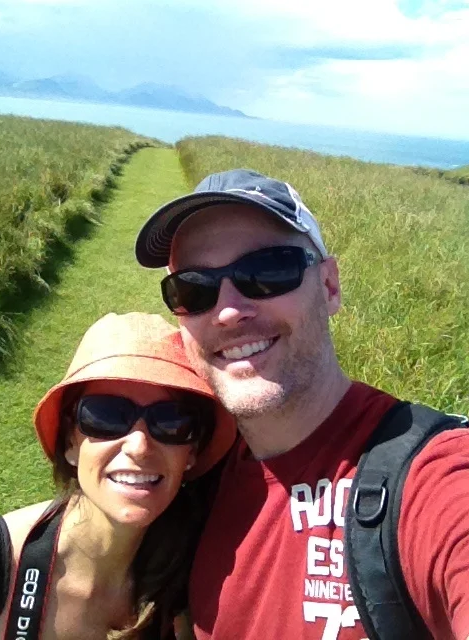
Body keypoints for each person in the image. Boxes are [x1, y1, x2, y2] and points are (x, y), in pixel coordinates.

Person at [135, 169, 469, 640]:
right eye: (193, 289)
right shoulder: (195, 470)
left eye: (268, 271)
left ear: (329, 286)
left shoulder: (431, 477)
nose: (228, 311)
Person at [0, 312, 235, 640]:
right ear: (70, 442)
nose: (139, 447)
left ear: (191, 451)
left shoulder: (196, 572)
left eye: (171, 421)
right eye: (106, 416)